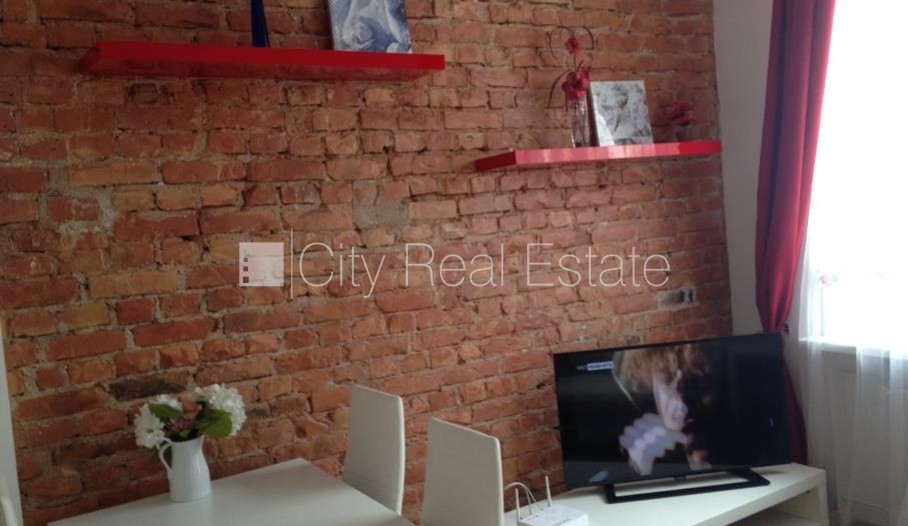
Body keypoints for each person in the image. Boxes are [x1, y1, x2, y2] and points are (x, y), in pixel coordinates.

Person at [613, 344, 720, 476]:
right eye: (666, 379)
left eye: (697, 382)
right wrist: (644, 473)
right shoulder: (642, 456)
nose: (682, 405)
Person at [335, 0, 410, 53]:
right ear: (364, 46)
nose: (359, 29)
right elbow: (405, 41)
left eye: (353, 26)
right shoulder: (386, 41)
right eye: (356, 38)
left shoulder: (361, 13)